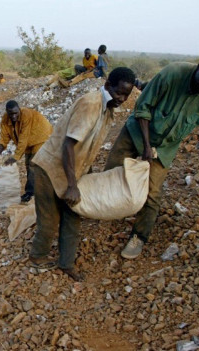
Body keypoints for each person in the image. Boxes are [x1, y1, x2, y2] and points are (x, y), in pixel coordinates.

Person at [105, 51, 199, 260]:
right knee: (111, 170)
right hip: (137, 132)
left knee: (153, 193)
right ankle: (105, 210)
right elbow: (143, 107)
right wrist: (147, 146)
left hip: (165, 147)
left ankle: (139, 236)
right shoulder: (172, 74)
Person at [28, 67, 136, 281]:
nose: (122, 99)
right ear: (107, 86)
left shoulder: (107, 111)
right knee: (49, 221)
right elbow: (68, 145)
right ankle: (37, 257)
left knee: (73, 218)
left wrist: (84, 176)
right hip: (50, 169)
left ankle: (65, 263)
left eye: (126, 95)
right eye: (119, 93)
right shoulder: (91, 104)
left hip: (71, 173)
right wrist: (72, 185)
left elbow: (86, 148)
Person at [0, 100, 52, 203]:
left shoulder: (26, 115)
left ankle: (31, 193)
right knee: (28, 165)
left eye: (16, 113)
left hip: (41, 136)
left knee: (34, 164)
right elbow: (3, 140)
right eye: (11, 114)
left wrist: (15, 157)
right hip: (29, 142)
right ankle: (34, 191)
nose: (14, 116)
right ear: (7, 112)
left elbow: (23, 138)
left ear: (19, 110)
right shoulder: (5, 120)